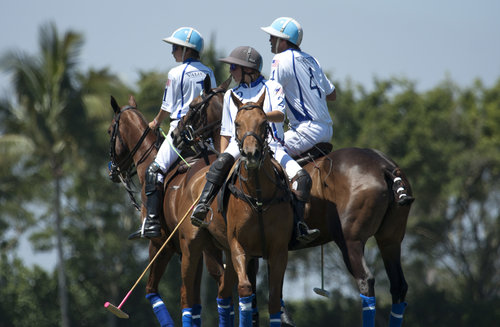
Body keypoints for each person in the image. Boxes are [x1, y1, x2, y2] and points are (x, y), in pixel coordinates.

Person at [261, 17, 414, 205]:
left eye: (273, 36)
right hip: (326, 130)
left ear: (283, 41)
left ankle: (291, 206)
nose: (269, 40)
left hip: (305, 130)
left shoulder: (279, 59)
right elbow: (332, 94)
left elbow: (271, 95)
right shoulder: (312, 59)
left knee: (266, 150)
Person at [190, 46, 320, 245]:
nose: (230, 71)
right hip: (238, 146)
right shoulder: (230, 95)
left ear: (247, 69)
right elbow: (225, 131)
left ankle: (299, 224)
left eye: (234, 67)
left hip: (273, 146)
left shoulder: (273, 87)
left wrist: (257, 116)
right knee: (218, 166)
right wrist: (224, 157)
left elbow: (280, 114)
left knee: (302, 178)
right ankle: (202, 207)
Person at [128, 27, 216, 240]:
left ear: (187, 50)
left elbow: (167, 107)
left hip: (180, 132)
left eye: (176, 47)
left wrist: (156, 121)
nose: (172, 52)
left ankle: (152, 221)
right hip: (206, 135)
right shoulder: (209, 72)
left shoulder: (175, 73)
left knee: (154, 170)